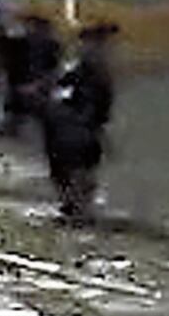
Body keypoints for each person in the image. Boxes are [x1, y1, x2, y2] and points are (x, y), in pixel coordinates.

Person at [39, 22, 118, 221]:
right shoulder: (87, 71)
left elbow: (55, 94)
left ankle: (76, 210)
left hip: (71, 130)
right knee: (77, 173)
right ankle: (78, 210)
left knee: (74, 174)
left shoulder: (80, 70)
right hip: (74, 130)